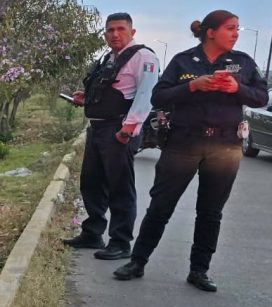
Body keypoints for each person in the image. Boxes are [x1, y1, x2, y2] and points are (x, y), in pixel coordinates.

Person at [113, 10, 268, 291]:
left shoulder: (242, 62)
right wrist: (192, 86)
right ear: (211, 32)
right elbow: (159, 95)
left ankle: (199, 270)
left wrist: (237, 88)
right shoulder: (183, 60)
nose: (235, 33)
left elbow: (262, 97)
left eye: (237, 29)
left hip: (224, 147)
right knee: (161, 206)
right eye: (230, 28)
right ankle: (137, 262)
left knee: (210, 212)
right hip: (183, 143)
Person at [63, 12, 159, 260]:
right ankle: (93, 232)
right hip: (97, 129)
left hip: (119, 131)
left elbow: (146, 95)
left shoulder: (143, 57)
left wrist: (128, 129)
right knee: (92, 183)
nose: (114, 34)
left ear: (132, 32)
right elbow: (111, 90)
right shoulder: (109, 58)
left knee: (120, 187)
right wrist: (86, 98)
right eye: (110, 30)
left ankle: (120, 241)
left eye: (120, 29)